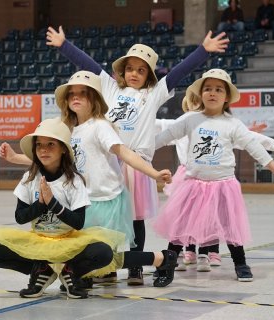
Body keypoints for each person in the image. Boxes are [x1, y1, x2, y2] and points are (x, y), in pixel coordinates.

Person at [46, 25, 230, 285]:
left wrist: (203, 51)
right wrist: (64, 44)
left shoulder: (153, 93)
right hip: (107, 162)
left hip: (136, 164)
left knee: (134, 217)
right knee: (103, 218)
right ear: (122, 71)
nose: (134, 73)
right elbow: (88, 64)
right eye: (130, 68)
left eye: (141, 70)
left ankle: (136, 267)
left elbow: (179, 72)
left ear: (149, 75)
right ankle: (106, 266)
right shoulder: (110, 88)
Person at [0, 70, 173, 284]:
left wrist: (154, 173)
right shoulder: (67, 129)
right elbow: (52, 159)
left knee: (105, 255)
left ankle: (161, 259)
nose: (76, 97)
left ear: (95, 99)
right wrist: (16, 158)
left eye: (83, 93)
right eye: (72, 93)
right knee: (85, 252)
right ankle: (102, 271)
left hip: (105, 200)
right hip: (81, 201)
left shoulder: (100, 126)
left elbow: (125, 153)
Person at [0, 118, 178, 300]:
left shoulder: (73, 181)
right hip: (40, 240)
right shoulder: (29, 179)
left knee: (105, 254)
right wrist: (40, 204)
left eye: (51, 144)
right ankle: (42, 269)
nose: (44, 150)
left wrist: (53, 203)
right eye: (39, 145)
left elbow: (78, 222)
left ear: (63, 150)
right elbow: (20, 217)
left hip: (69, 239)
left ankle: (72, 272)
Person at [153, 69, 274, 281]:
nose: (213, 93)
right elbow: (164, 137)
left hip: (223, 185)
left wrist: (273, 166)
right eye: (208, 89)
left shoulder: (233, 124)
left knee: (230, 226)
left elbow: (252, 144)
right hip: (193, 185)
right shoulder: (190, 119)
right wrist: (140, 152)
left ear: (227, 96)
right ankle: (168, 264)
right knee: (180, 226)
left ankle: (241, 264)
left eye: (218, 89)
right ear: (201, 94)